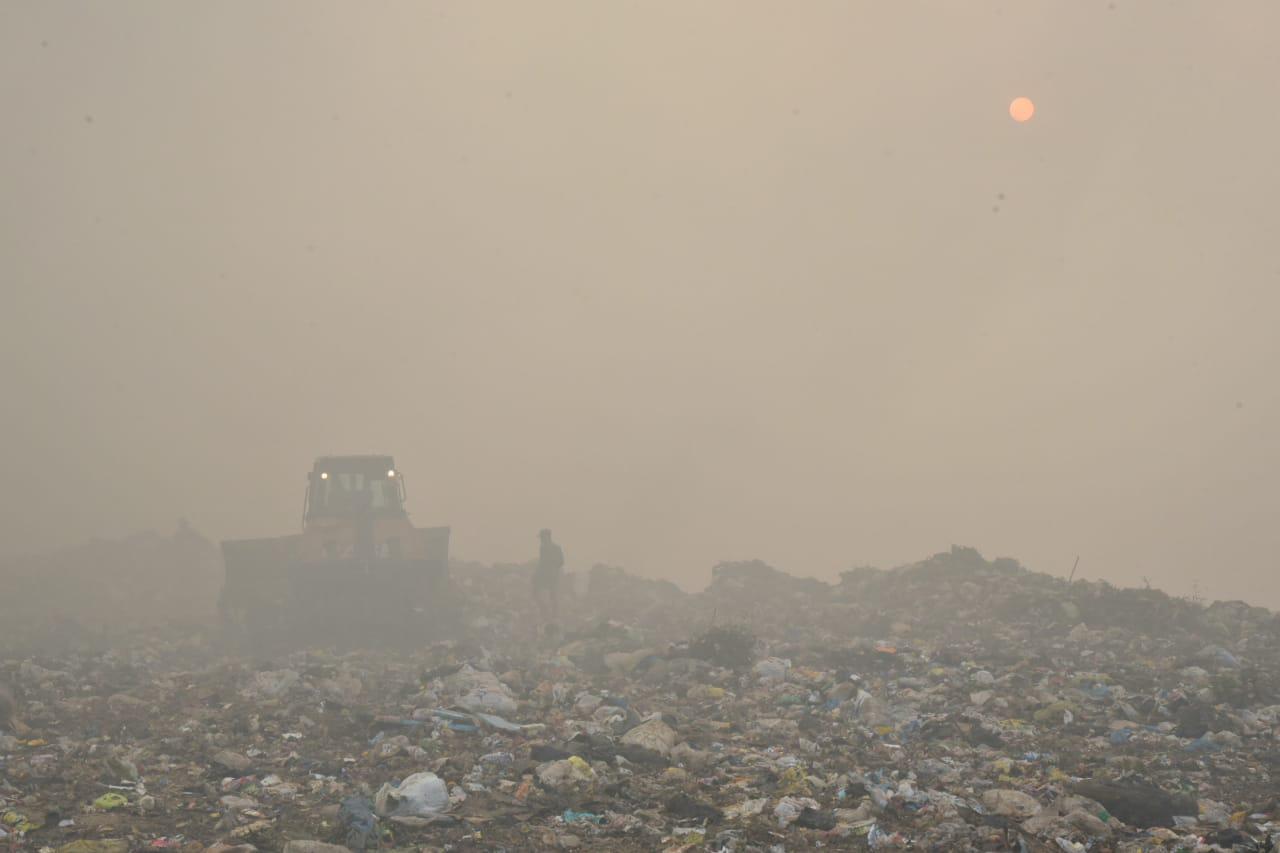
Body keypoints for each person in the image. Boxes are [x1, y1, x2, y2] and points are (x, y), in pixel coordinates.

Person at [533, 528, 564, 630]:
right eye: (541, 537)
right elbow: (560, 562)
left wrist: (551, 567)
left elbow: (559, 561)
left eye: (542, 537)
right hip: (549, 575)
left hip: (548, 576)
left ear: (547, 536)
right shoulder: (548, 547)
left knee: (549, 596)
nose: (541, 539)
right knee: (550, 596)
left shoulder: (549, 548)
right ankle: (552, 616)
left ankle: (551, 617)